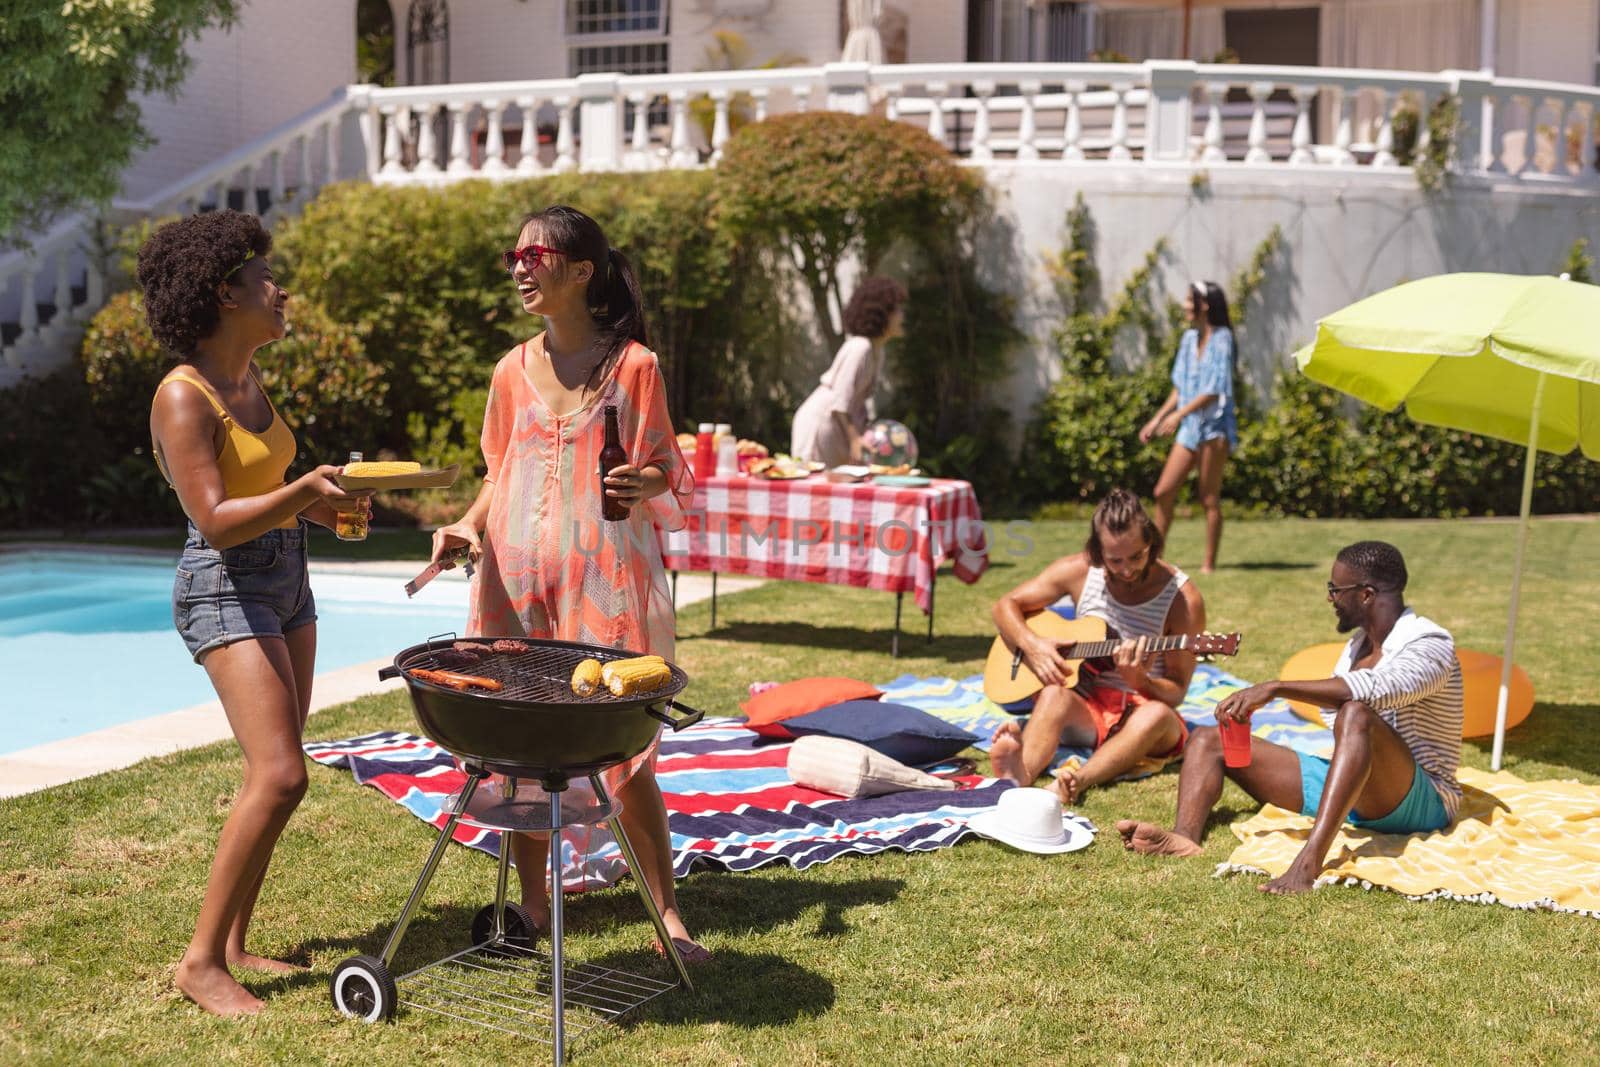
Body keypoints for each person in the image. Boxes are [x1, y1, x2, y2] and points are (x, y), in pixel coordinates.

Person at [429, 205, 707, 961]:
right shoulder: (509, 371)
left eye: (535, 254)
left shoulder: (634, 367)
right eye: (513, 254)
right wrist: (465, 523)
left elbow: (664, 469)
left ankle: (668, 915)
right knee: (523, 749)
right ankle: (533, 907)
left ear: (582, 271)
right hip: (513, 583)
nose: (520, 266)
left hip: (604, 579)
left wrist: (639, 479)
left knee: (626, 745)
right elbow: (501, 470)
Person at [142, 210, 372, 1016]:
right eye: (265, 279)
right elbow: (213, 516)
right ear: (223, 293)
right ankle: (201, 962)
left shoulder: (248, 381)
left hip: (285, 579)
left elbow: (262, 495)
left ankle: (235, 942)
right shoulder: (183, 394)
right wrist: (306, 488)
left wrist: (326, 511)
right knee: (279, 774)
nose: (282, 290)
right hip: (225, 584)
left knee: (273, 774)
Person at [1117, 541, 1463, 894]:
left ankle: (1307, 864)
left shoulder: (1429, 643)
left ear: (1366, 595)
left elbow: (1377, 689)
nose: (1330, 599)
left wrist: (1276, 688)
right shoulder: (1357, 647)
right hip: (1362, 793)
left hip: (1424, 800)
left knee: (1357, 713)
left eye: (1335, 589)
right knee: (1207, 739)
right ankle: (1184, 837)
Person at [989, 489, 1206, 804]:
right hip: (1086, 707)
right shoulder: (1079, 571)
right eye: (1114, 560)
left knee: (1157, 714)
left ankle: (1075, 782)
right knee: (1052, 694)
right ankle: (1017, 777)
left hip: (1143, 716)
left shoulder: (1183, 599)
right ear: (1096, 551)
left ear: (1153, 544)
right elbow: (1004, 605)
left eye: (1137, 556)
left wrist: (1140, 681)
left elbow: (1177, 691)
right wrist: (1033, 646)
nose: (1127, 569)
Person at [1140, 280, 1237, 574]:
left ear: (1204, 305)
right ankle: (1155, 557)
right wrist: (1158, 418)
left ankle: (1209, 563)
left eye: (1188, 299)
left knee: (1208, 497)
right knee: (1162, 491)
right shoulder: (1187, 340)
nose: (1184, 305)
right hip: (1190, 428)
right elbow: (1180, 388)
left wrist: (1178, 415)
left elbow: (1213, 389)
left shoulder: (1223, 339)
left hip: (1214, 428)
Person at [790, 276, 907, 468]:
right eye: (897, 310)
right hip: (820, 425)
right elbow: (840, 400)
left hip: (838, 427)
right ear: (882, 314)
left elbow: (856, 403)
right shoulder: (859, 347)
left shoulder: (877, 351)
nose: (902, 316)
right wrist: (854, 440)